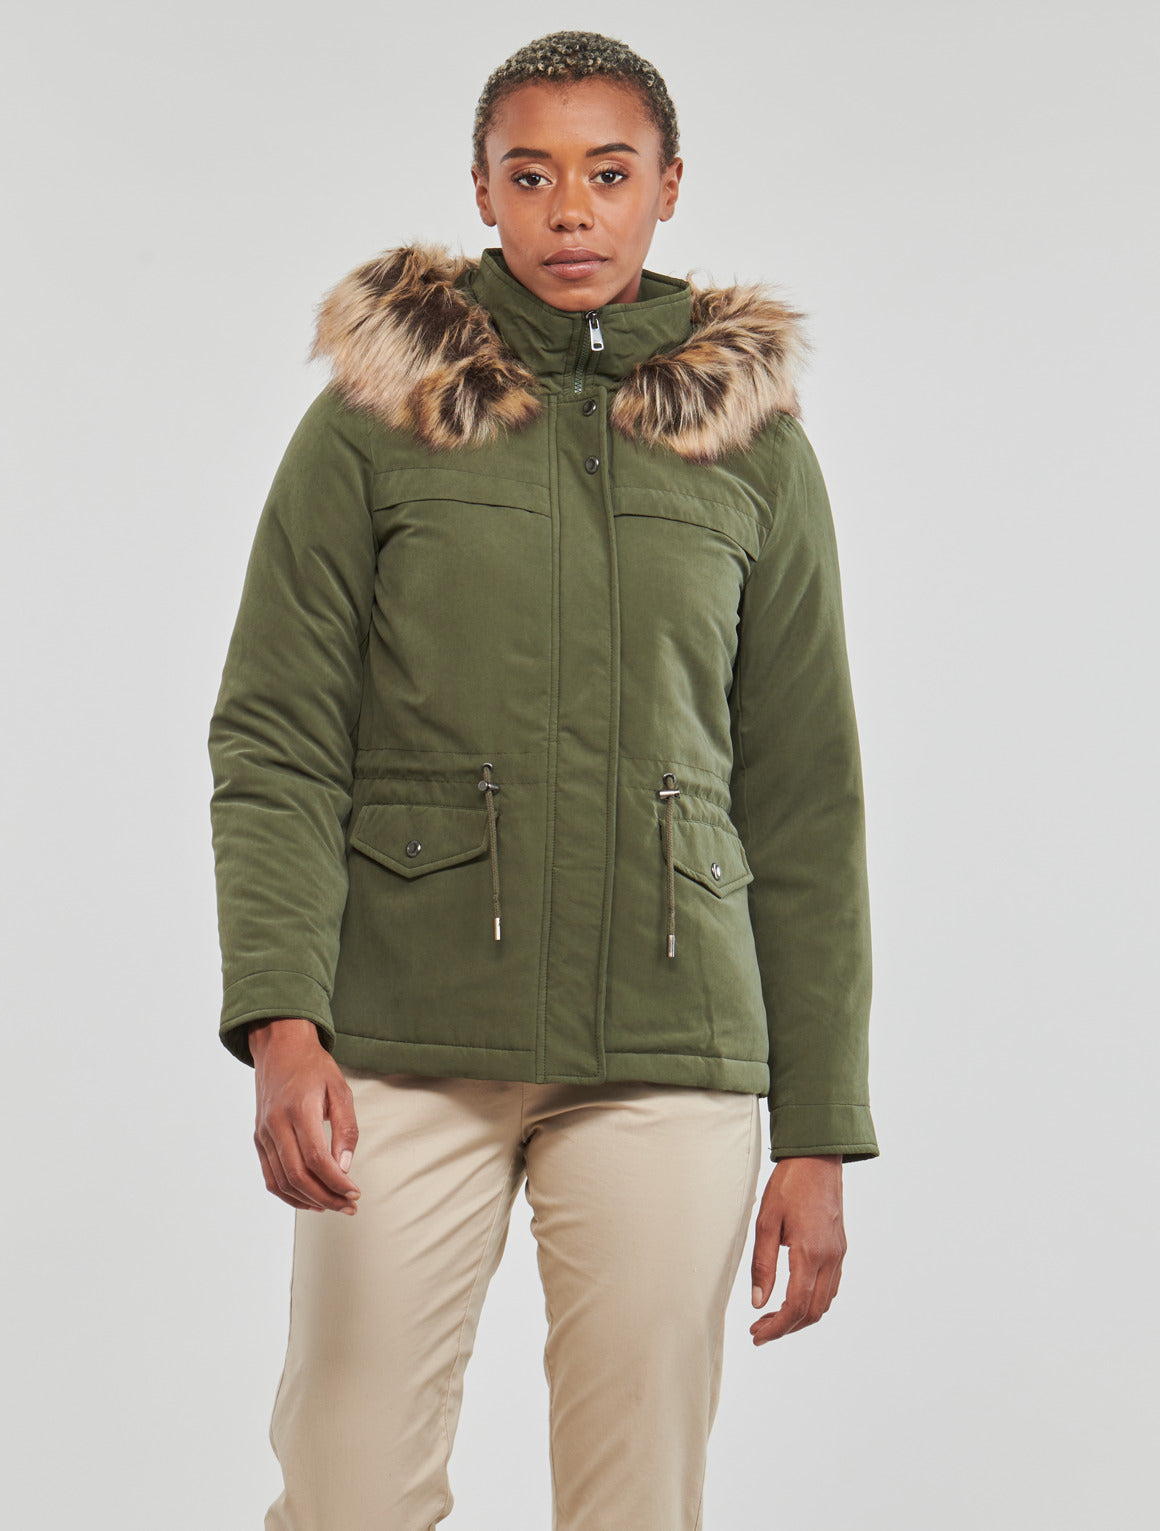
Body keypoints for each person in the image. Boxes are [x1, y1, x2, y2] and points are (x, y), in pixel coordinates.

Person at [208, 28, 879, 1531]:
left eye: (609, 172)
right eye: (532, 174)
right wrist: (281, 1019)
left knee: (638, 1499)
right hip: (402, 1034)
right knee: (346, 1487)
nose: (571, 208)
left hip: (670, 1044)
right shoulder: (377, 416)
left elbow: (805, 794)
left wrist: (820, 1126)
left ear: (668, 188)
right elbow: (277, 733)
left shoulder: (754, 448)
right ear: (483, 191)